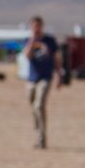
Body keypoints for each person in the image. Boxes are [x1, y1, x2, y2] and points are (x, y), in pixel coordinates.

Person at [22, 16, 59, 149]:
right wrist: (33, 41)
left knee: (39, 105)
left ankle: (42, 137)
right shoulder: (28, 40)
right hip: (32, 78)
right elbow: (26, 56)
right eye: (34, 26)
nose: (37, 29)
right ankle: (38, 130)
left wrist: (59, 75)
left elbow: (56, 58)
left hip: (45, 77)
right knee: (33, 105)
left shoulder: (49, 41)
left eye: (39, 26)